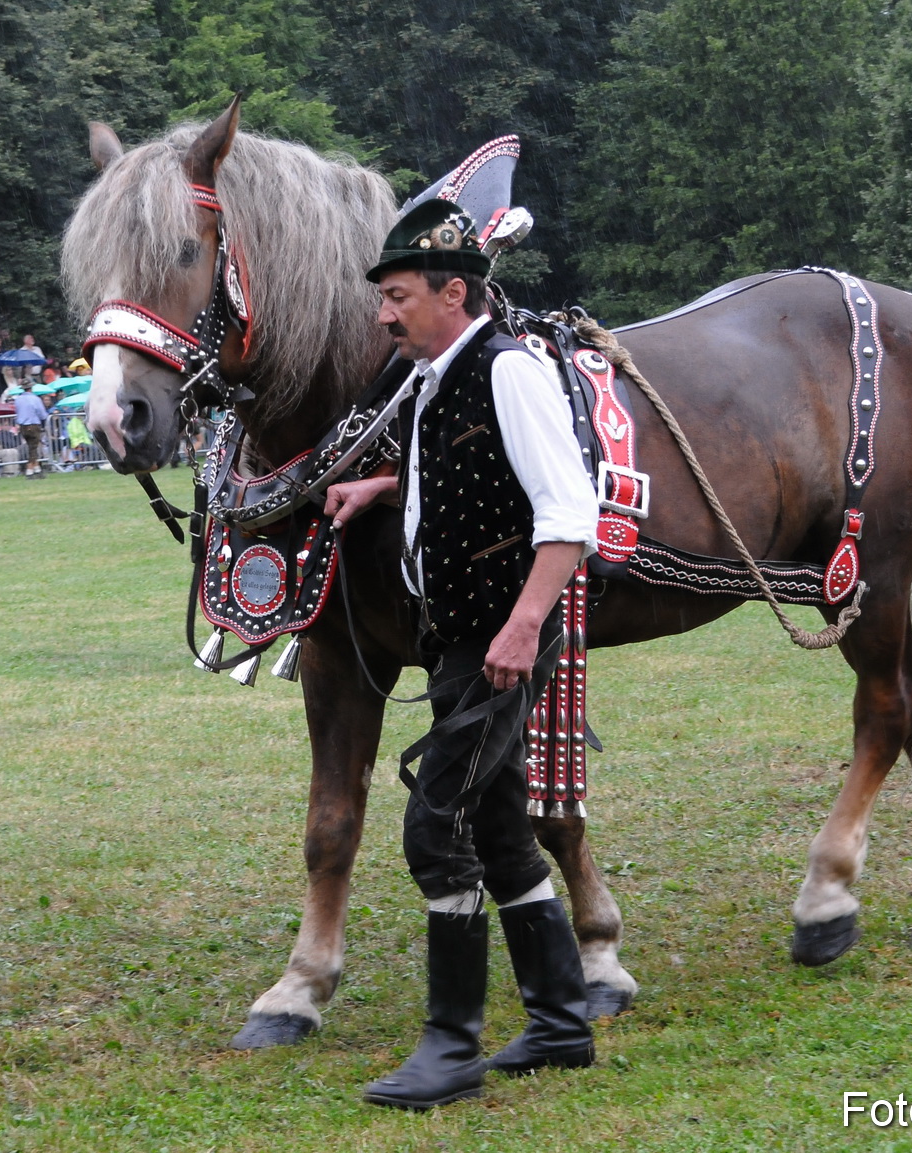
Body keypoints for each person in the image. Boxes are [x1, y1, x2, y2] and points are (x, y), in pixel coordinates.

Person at [324, 200, 598, 1111]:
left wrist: (522, 627)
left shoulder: (508, 369)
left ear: (453, 292)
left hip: (497, 638)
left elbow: (566, 512)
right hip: (463, 634)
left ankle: (451, 1043)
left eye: (397, 296)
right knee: (497, 826)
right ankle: (559, 1020)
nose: (383, 314)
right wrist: (380, 484)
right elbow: (468, 468)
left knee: (434, 824)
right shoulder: (440, 372)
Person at [13, 382, 49, 477]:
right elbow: (41, 413)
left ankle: (37, 469)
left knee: (31, 447)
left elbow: (17, 411)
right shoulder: (35, 399)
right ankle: (29, 470)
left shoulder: (18, 399)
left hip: (23, 426)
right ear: (31, 388)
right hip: (33, 424)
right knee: (33, 448)